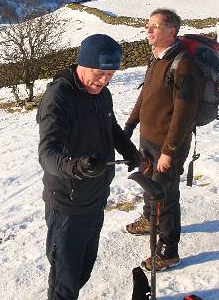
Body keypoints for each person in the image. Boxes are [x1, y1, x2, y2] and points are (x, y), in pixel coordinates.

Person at [36, 34, 141, 300]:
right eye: (99, 73)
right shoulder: (59, 97)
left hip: (96, 196)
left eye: (110, 74)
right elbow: (47, 154)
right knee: (65, 278)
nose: (104, 80)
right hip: (68, 203)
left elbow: (111, 127)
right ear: (82, 64)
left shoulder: (102, 94)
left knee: (83, 269)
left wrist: (129, 150)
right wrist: (76, 167)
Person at [124, 9, 199, 271]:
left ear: (171, 31)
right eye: (147, 26)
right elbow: (145, 95)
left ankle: (168, 250)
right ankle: (148, 219)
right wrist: (130, 125)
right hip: (149, 139)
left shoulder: (183, 63)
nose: (149, 31)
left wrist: (169, 151)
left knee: (165, 196)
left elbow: (184, 113)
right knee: (149, 186)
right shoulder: (156, 59)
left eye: (154, 26)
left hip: (168, 144)